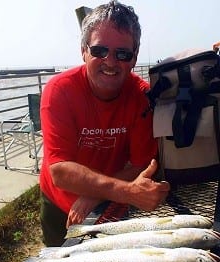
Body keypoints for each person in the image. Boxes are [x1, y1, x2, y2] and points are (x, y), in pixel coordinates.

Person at [39, 0, 170, 247]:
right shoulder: (59, 91)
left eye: (122, 54)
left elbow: (142, 163)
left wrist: (93, 194)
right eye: (100, 51)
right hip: (60, 204)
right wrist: (126, 191)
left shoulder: (142, 97)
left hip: (109, 206)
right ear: (83, 50)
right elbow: (60, 171)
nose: (110, 62)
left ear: (134, 58)